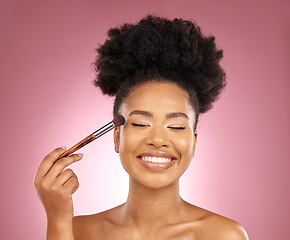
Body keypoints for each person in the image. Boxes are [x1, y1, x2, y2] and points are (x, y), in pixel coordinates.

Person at [34, 15, 249, 240]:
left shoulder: (223, 235)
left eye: (176, 127)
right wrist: (57, 219)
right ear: (116, 137)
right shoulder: (77, 231)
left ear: (194, 142)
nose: (158, 139)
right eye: (140, 123)